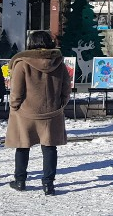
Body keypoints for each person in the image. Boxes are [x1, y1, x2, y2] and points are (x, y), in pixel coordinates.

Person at [5, 31, 71, 196]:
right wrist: (61, 104)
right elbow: (66, 89)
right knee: (49, 147)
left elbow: (16, 91)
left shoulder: (22, 63)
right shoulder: (59, 63)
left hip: (26, 112)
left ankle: (20, 180)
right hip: (52, 112)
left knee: (22, 145)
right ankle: (48, 184)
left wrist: (15, 106)